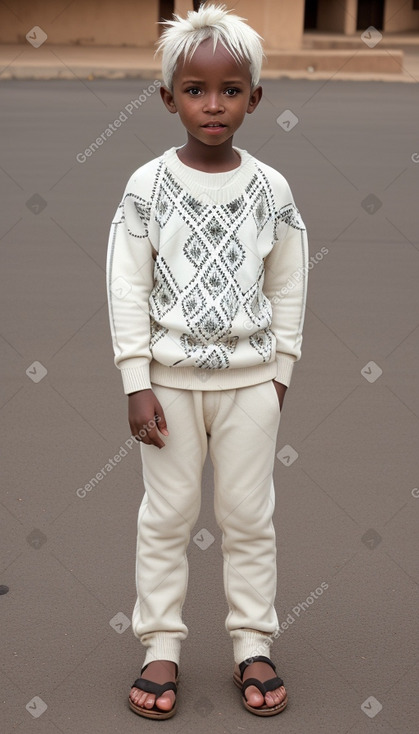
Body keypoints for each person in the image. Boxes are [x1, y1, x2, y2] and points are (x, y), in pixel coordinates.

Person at [106, 1, 308, 720]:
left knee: (249, 515)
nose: (212, 104)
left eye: (230, 90)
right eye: (194, 89)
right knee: (166, 515)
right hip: (165, 385)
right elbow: (126, 286)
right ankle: (160, 644)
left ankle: (252, 641)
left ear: (254, 97)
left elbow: (288, 282)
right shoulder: (147, 186)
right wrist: (136, 382)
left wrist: (279, 371)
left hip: (251, 385)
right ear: (168, 98)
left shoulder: (270, 190)